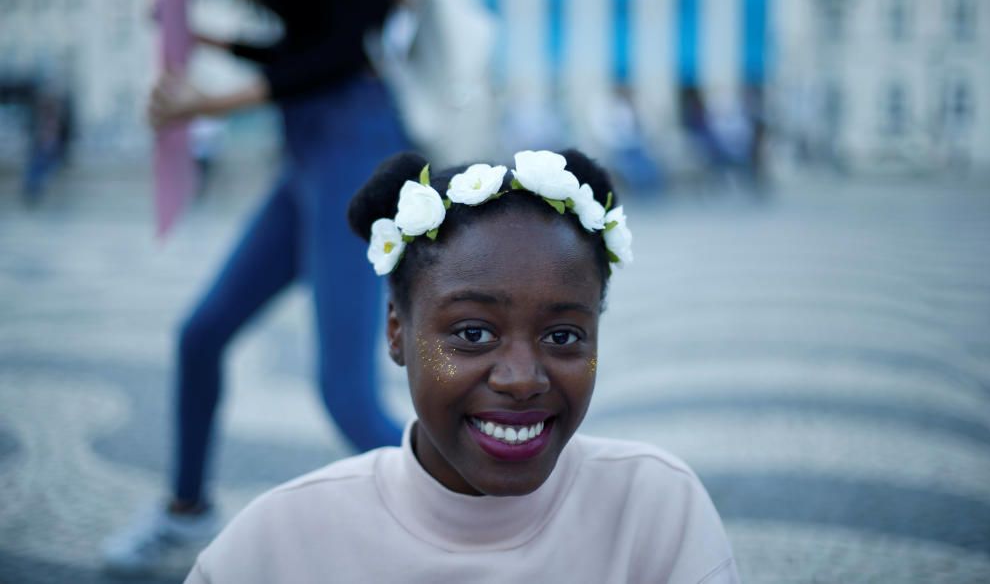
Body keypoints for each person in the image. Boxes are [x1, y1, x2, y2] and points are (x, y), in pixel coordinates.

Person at [183, 149, 740, 583]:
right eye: (473, 333)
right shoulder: (280, 543)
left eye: (563, 335)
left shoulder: (656, 510)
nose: (522, 378)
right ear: (396, 331)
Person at [103, 0, 409, 575]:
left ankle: (490, 518)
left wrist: (209, 105)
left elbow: (339, 55)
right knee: (201, 334)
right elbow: (297, 49)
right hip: (308, 159)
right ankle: (185, 510)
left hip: (354, 154)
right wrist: (200, 35)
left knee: (347, 395)